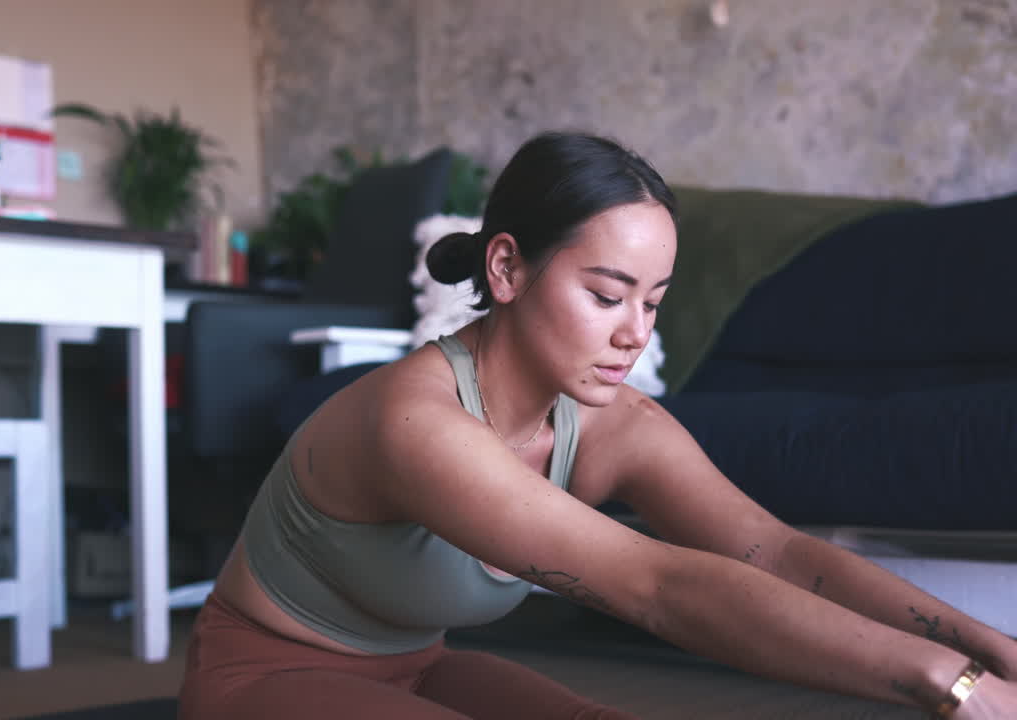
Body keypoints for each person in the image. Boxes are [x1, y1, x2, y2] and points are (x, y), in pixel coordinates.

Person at [178, 132, 1017, 719]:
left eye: (653, 302)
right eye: (607, 296)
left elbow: (781, 553)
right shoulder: (415, 421)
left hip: (421, 669)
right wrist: (944, 682)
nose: (635, 333)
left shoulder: (616, 426)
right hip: (266, 676)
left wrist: (992, 652)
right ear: (506, 267)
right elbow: (659, 587)